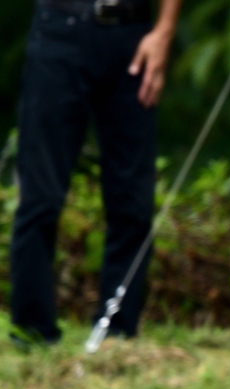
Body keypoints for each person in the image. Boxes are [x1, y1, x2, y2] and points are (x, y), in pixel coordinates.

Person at [8, 0, 182, 347]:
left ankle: (117, 333)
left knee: (132, 198)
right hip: (59, 30)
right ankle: (32, 332)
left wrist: (163, 33)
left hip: (133, 35)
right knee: (40, 195)